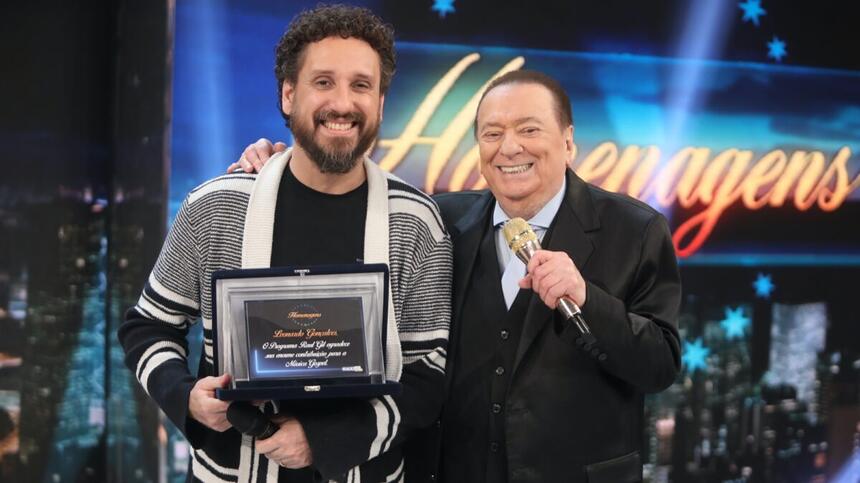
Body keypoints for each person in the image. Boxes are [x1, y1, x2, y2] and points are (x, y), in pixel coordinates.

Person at [235, 69, 681, 482]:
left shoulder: (636, 230)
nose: (509, 147)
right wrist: (280, 165)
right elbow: (348, 202)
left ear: (567, 142)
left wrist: (588, 299)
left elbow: (660, 365)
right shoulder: (441, 221)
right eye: (492, 133)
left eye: (529, 129)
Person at [119, 5, 452, 483]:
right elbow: (148, 326)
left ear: (380, 102)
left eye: (361, 85)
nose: (343, 102)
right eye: (323, 82)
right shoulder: (217, 207)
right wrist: (185, 395)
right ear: (288, 94)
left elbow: (429, 373)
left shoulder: (416, 223)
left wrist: (323, 439)